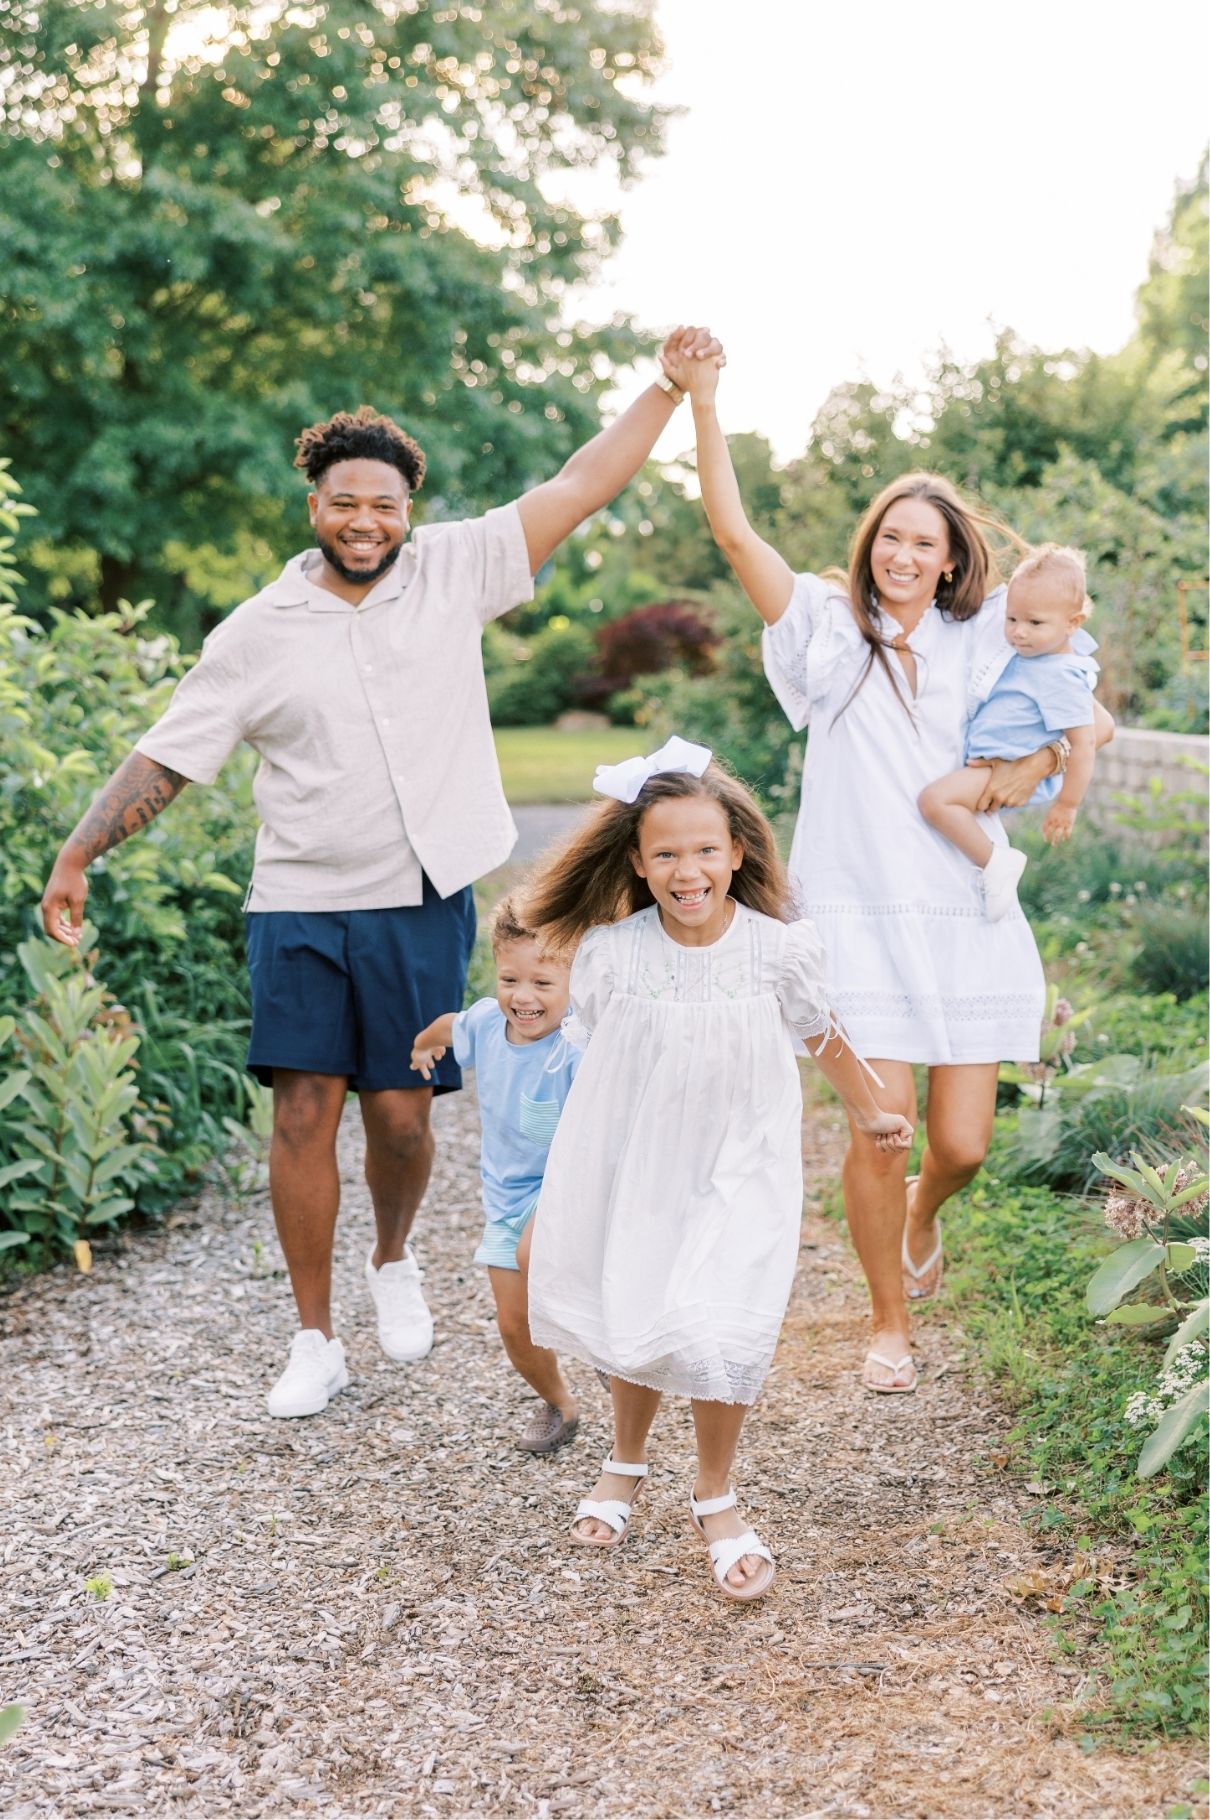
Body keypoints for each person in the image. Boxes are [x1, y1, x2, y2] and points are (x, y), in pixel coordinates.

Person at [38, 329, 723, 1418]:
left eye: (387, 504)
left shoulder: (454, 570)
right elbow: (170, 752)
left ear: (410, 508)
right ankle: (313, 1337)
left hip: (418, 894)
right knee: (303, 1111)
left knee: (402, 1117)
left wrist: (665, 388)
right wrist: (79, 850)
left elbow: (580, 483)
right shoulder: (259, 630)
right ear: (314, 502)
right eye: (345, 500)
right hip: (299, 898)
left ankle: (391, 1255)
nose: (367, 520)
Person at [664, 339, 1112, 1393]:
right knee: (881, 1132)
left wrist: (1038, 765)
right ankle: (887, 1322)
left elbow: (1088, 713)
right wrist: (706, 402)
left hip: (965, 913)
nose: (904, 555)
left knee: (957, 1146)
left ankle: (924, 1211)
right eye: (890, 537)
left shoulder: (986, 641)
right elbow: (733, 533)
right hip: (855, 916)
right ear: (870, 546)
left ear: (952, 559)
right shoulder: (825, 629)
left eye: (924, 542)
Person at [522, 738, 912, 1601]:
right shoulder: (613, 953)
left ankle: (715, 1492)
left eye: (705, 850)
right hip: (641, 1163)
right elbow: (590, 1055)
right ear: (637, 860)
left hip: (742, 1164)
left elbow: (822, 1032)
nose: (687, 869)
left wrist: (870, 1109)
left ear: (738, 852)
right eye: (666, 853)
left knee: (719, 1322)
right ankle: (624, 1463)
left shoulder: (778, 950)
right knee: (636, 1304)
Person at [410, 895, 582, 1454]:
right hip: (508, 1197)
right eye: (510, 978)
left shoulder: (580, 1042)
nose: (523, 997)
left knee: (558, 1273)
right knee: (514, 1323)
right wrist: (421, 1046)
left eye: (543, 983)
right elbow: (447, 1025)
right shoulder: (487, 1022)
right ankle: (560, 1401)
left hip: (572, 1189)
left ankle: (605, 1343)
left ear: (575, 981)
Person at [919, 544, 1098, 918]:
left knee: (934, 802)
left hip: (1004, 766)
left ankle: (995, 863)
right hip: (992, 762)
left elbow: (1085, 742)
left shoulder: (1062, 675)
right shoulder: (1032, 655)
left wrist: (1067, 804)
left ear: (1073, 624)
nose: (1018, 633)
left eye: (1035, 623)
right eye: (1012, 619)